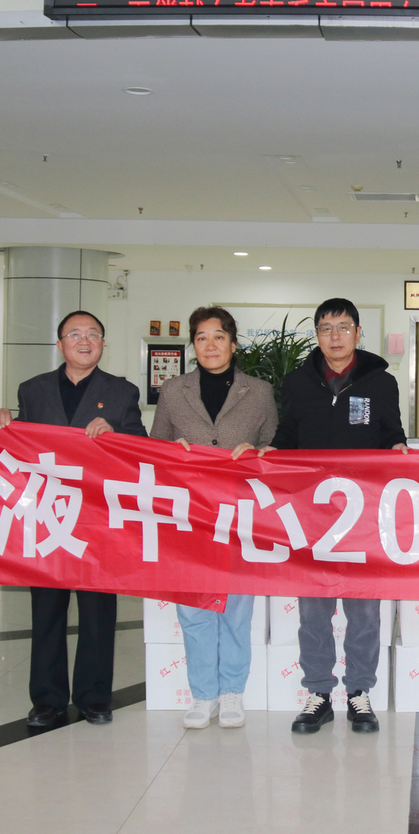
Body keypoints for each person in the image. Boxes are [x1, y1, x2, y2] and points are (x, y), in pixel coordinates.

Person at [0, 310, 146, 728]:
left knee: (98, 614)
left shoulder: (122, 392)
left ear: (103, 344)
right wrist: (3, 423)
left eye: (93, 333)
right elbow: (20, 446)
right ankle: (47, 700)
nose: (84, 340)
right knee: (47, 612)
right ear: (59, 345)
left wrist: (116, 433)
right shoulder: (33, 390)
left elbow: (142, 447)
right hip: (48, 517)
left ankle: (95, 697)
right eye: (74, 334)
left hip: (97, 519)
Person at [272, 298, 408, 734]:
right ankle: (318, 693)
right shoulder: (297, 382)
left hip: (363, 515)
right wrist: (269, 452)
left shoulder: (381, 382)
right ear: (316, 334)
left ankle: (359, 692)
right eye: (326, 328)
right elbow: (286, 436)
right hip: (310, 514)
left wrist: (398, 448)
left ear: (358, 332)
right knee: (314, 609)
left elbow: (392, 434)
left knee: (363, 610)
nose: (335, 336)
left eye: (344, 327)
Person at [150, 306, 277, 729]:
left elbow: (274, 447)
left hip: (240, 513)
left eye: (218, 337)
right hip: (189, 514)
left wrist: (259, 453)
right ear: (193, 345)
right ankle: (203, 695)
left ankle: (232, 692)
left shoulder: (259, 391)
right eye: (201, 337)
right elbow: (154, 447)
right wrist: (172, 451)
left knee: (237, 607)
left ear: (233, 344)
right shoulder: (173, 390)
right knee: (194, 608)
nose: (210, 345)